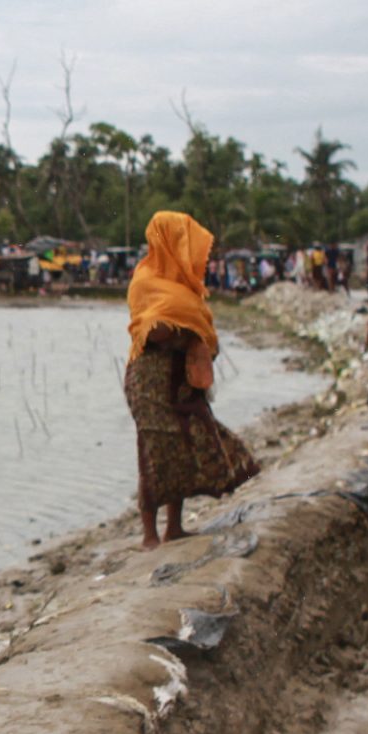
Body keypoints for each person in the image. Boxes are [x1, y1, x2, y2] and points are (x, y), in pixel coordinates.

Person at [124, 211, 259, 550]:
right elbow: (153, 331)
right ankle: (150, 534)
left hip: (180, 380)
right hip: (150, 382)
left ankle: (174, 527)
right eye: (182, 242)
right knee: (156, 449)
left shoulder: (184, 286)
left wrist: (188, 334)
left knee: (186, 445)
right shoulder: (145, 280)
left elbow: (189, 325)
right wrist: (184, 335)